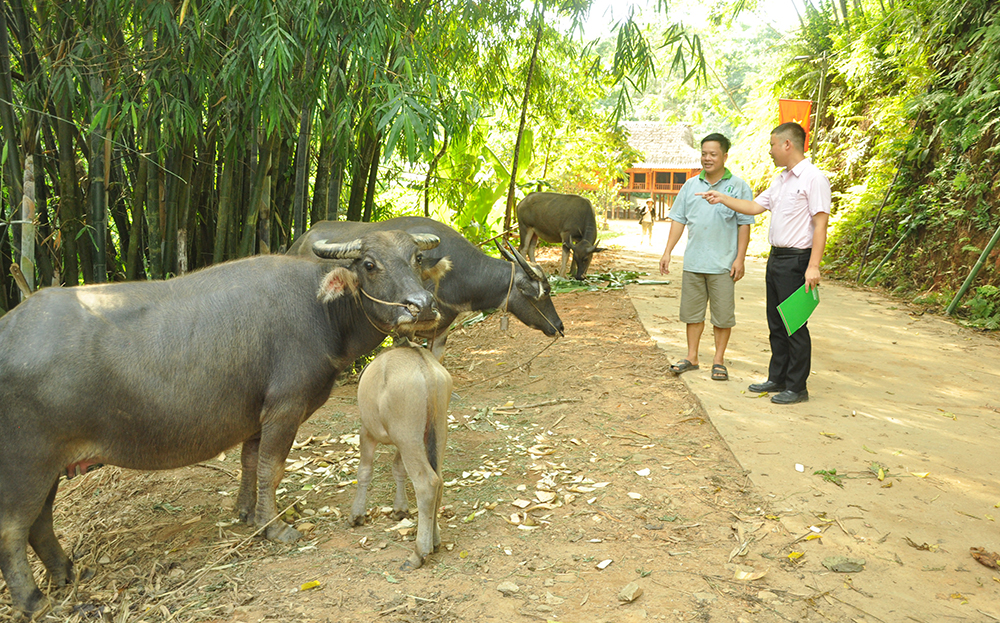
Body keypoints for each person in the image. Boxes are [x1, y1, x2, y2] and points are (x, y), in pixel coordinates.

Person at [696, 122, 830, 404]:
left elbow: (820, 225)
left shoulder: (813, 178)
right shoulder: (781, 180)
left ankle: (797, 387)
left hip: (798, 259)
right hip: (777, 258)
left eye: (772, 145)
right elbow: (755, 207)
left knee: (795, 325)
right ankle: (777, 377)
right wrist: (721, 198)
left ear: (787, 144)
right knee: (776, 323)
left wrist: (813, 266)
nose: (769, 151)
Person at [659, 133, 754, 382]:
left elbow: (744, 224)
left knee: (722, 316)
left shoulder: (739, 186)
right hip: (694, 262)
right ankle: (692, 357)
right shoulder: (690, 186)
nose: (707, 158)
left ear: (724, 156)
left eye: (713, 154)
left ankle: (718, 360)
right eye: (704, 153)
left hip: (723, 264)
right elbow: (678, 219)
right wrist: (668, 251)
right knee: (692, 314)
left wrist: (740, 258)